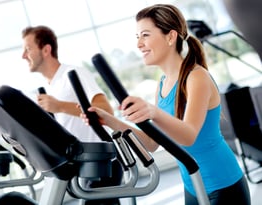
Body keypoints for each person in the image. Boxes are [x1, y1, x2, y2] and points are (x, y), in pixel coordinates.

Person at [81, 4, 251, 205]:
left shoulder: (197, 77)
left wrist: (153, 112)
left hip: (223, 185)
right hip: (193, 185)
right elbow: (152, 144)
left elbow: (188, 136)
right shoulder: (162, 84)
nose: (139, 44)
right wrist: (109, 121)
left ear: (170, 37)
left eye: (145, 35)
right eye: (137, 37)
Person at [0, 25, 122, 205]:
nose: (23, 55)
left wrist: (60, 106)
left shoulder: (73, 74)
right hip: (82, 165)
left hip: (101, 165)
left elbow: (106, 110)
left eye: (28, 49)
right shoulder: (51, 86)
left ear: (46, 49)